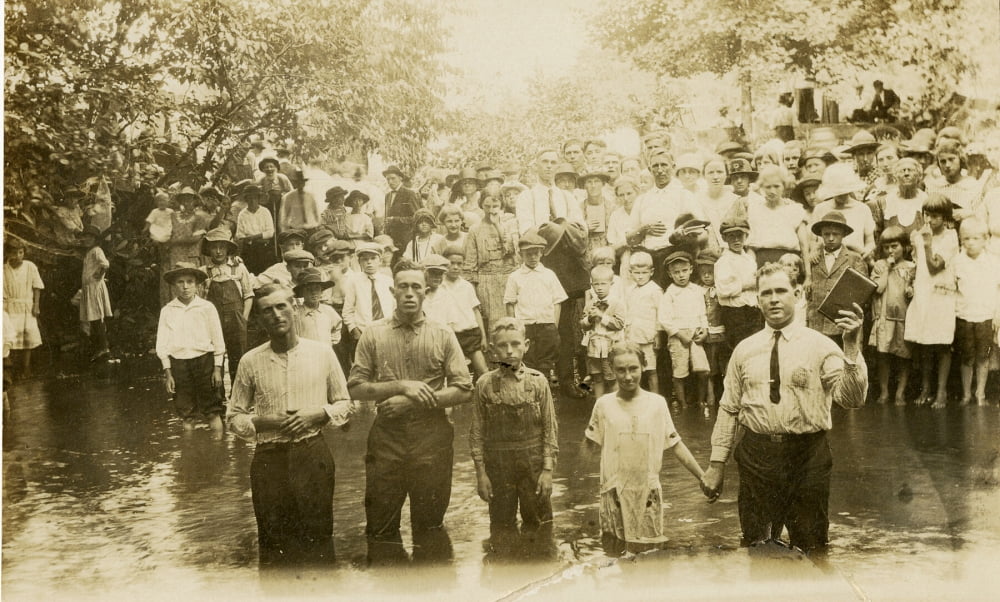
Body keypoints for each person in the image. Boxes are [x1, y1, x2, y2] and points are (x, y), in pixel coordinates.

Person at [701, 263, 868, 554]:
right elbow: (729, 409)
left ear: (798, 293)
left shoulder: (821, 346)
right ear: (757, 299)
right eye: (766, 293)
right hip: (756, 456)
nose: (774, 299)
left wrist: (851, 348)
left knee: (812, 547)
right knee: (757, 545)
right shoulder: (744, 350)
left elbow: (851, 399)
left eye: (781, 291)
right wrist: (716, 466)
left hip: (807, 456)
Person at [348, 259, 473, 565]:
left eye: (416, 287)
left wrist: (414, 400)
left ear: (425, 292)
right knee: (380, 528)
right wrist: (401, 386)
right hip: (387, 437)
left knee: (429, 528)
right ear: (393, 291)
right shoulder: (374, 333)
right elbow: (355, 387)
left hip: (431, 438)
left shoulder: (442, 333)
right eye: (402, 286)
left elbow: (464, 388)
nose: (409, 293)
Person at [227, 283, 353, 566]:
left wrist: (318, 414)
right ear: (259, 319)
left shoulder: (322, 353)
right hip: (269, 459)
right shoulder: (250, 361)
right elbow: (233, 418)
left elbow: (346, 405)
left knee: (319, 542)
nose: (276, 315)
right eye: (267, 311)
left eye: (281, 306)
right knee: (273, 548)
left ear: (294, 308)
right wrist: (262, 421)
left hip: (313, 456)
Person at [584, 343, 705, 556]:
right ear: (611, 368)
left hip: (648, 492)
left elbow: (675, 444)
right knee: (614, 553)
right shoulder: (604, 405)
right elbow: (588, 446)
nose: (628, 376)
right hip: (613, 492)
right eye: (620, 370)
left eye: (633, 368)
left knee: (649, 555)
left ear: (644, 366)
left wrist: (703, 478)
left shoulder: (657, 404)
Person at [470, 317, 558, 535]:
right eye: (502, 345)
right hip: (498, 468)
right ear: (492, 351)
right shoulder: (484, 385)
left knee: (540, 525)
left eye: (515, 344)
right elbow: (477, 433)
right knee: (501, 527)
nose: (509, 351)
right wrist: (481, 474)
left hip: (533, 466)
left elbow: (550, 429)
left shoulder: (539, 381)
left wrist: (547, 470)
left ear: (525, 346)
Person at [156, 262, 225, 433]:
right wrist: (168, 373)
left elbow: (218, 340)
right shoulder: (167, 310)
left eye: (190, 281)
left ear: (196, 285)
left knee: (212, 412)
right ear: (174, 286)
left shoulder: (207, 308)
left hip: (205, 363)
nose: (185, 286)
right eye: (180, 282)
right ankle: (189, 455)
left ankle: (218, 454)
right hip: (180, 365)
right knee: (187, 415)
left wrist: (217, 369)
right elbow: (162, 344)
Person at [904, 193, 959, 408]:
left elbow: (935, 266)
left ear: (945, 217)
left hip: (941, 294)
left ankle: (942, 391)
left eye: (935, 216)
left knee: (942, 343)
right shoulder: (919, 236)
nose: (930, 220)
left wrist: (927, 244)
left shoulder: (951, 237)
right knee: (924, 343)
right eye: (927, 215)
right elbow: (917, 267)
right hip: (923, 292)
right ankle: (926, 388)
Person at [628, 150, 704, 287]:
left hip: (676, 258)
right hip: (649, 261)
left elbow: (703, 232)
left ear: (673, 167)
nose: (660, 170)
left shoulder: (684, 195)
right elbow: (629, 238)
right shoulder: (642, 199)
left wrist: (684, 234)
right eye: (655, 166)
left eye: (664, 165)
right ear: (650, 169)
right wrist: (644, 229)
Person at [503, 234, 567, 382]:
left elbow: (557, 302)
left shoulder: (549, 275)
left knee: (546, 361)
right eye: (528, 254)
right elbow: (510, 303)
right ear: (521, 255)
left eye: (536, 253)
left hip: (547, 325)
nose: (532, 257)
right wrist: (515, 327)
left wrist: (553, 324)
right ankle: (528, 392)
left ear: (541, 253)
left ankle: (544, 390)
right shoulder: (515, 277)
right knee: (527, 359)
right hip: (526, 326)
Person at [952, 218, 999, 406]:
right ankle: (966, 394)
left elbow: (997, 290)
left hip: (986, 316)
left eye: (975, 238)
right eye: (966, 239)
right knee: (966, 356)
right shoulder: (957, 261)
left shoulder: (993, 262)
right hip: (964, 315)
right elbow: (953, 288)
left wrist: (997, 315)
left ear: (986, 240)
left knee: (983, 356)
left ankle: (980, 393)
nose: (970, 242)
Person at [806, 211, 868, 347]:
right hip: (816, 322)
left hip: (842, 324)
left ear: (843, 235)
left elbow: (862, 292)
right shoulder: (814, 259)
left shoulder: (854, 259)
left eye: (836, 234)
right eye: (826, 234)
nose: (831, 238)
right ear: (821, 235)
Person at [868, 226, 915, 406]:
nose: (890, 251)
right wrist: (887, 267)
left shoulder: (911, 267)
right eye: (886, 247)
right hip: (884, 318)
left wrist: (911, 289)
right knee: (884, 356)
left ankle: (900, 393)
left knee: (903, 356)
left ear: (904, 247)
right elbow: (878, 288)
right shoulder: (880, 265)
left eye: (894, 246)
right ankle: (885, 391)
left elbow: (912, 292)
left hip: (903, 319)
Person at [658, 250, 710, 408]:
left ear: (691, 270)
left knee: (703, 370)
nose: (681, 275)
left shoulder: (696, 290)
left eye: (684, 271)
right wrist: (679, 334)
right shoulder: (670, 293)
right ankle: (683, 403)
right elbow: (664, 320)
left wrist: (705, 330)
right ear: (670, 273)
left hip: (695, 334)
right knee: (679, 372)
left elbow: (703, 313)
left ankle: (701, 400)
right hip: (678, 337)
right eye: (676, 272)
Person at [202, 227, 253, 384]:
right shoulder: (204, 272)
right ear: (209, 249)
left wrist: (243, 318)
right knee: (214, 357)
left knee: (239, 358)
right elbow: (201, 300)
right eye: (214, 247)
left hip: (236, 320)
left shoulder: (238, 268)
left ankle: (240, 397)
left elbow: (248, 295)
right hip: (213, 321)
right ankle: (218, 400)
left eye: (222, 247)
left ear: (228, 249)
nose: (218, 251)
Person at [464, 194, 520, 335]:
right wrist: (473, 292)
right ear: (481, 206)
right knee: (492, 325)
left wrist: (497, 226)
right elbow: (470, 265)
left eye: (495, 206)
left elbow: (511, 252)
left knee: (512, 321)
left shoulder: (510, 224)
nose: (491, 210)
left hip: (508, 280)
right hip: (486, 282)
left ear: (501, 206)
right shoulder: (475, 230)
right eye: (487, 206)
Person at [810, 163, 877, 260]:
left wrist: (866, 252)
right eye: (837, 192)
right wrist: (813, 251)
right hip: (827, 260)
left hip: (855, 258)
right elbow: (813, 240)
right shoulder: (820, 209)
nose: (841, 195)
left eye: (845, 192)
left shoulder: (862, 209)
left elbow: (870, 242)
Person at [440, 246, 489, 378]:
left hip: (470, 334)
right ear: (445, 264)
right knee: (454, 372)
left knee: (483, 371)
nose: (456, 267)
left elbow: (476, 311)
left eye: (459, 264)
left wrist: (483, 337)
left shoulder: (467, 286)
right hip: (449, 335)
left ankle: (484, 396)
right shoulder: (439, 286)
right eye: (452, 263)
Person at [714, 219, 762, 349]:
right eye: (731, 236)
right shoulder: (724, 261)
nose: (736, 240)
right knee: (739, 347)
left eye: (740, 236)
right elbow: (723, 290)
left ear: (746, 236)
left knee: (755, 345)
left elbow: (755, 284)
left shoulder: (749, 259)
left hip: (752, 309)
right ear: (724, 238)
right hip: (735, 313)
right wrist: (747, 284)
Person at [580, 265, 626, 397]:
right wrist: (589, 319)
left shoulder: (616, 303)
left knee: (611, 378)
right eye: (596, 284)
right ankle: (599, 406)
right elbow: (583, 325)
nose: (599, 288)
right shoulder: (590, 304)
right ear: (592, 285)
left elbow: (619, 324)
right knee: (597, 378)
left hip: (609, 348)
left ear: (611, 284)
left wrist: (601, 316)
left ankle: (616, 406)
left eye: (603, 284)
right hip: (594, 348)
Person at [622, 251, 663, 395]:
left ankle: (655, 399)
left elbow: (660, 314)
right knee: (633, 368)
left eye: (644, 272)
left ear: (651, 272)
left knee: (651, 370)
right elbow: (626, 312)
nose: (640, 276)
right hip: (632, 337)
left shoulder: (655, 290)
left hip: (648, 337)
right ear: (630, 272)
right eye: (636, 272)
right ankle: (635, 398)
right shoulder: (629, 290)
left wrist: (658, 334)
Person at [3, 239, 44, 378]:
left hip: (27, 306)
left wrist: (36, 305)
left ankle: (26, 368)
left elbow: (37, 286)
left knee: (28, 337)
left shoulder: (30, 266)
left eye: (21, 252)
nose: (18, 256)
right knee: (11, 337)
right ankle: (12, 369)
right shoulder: (4, 269)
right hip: (10, 307)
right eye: (14, 253)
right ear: (8, 253)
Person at [515, 149, 581, 234]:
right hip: (539, 245)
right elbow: (526, 229)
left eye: (553, 163)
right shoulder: (526, 197)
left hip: (565, 245)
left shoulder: (567, 197)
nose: (549, 166)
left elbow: (579, 225)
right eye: (545, 162)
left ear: (558, 168)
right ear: (536, 166)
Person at [342, 242, 395, 344]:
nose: (369, 262)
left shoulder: (388, 281)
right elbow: (347, 311)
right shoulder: (354, 281)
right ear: (359, 262)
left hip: (387, 330)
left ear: (380, 260)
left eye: (373, 258)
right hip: (363, 331)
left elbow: (394, 307)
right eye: (365, 259)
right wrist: (354, 330)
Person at [695, 251, 725, 407]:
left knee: (722, 363)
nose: (706, 276)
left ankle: (724, 396)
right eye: (703, 273)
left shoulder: (720, 289)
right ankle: (710, 395)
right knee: (709, 365)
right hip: (707, 331)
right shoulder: (698, 290)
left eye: (710, 273)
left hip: (720, 330)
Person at [79, 225, 113, 361]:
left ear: (95, 239)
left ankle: (104, 348)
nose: (87, 239)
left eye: (90, 237)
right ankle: (100, 347)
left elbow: (105, 263)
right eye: (85, 237)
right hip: (89, 288)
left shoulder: (97, 250)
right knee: (93, 317)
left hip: (94, 288)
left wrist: (99, 274)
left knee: (97, 317)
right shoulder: (89, 252)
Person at [235, 184, 275, 275]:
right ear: (246, 199)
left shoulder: (265, 211)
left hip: (264, 248)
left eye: (255, 198)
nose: (252, 201)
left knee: (266, 274)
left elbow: (270, 232)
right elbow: (240, 235)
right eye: (249, 198)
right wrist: (251, 239)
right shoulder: (242, 214)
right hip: (250, 250)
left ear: (258, 199)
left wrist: (253, 237)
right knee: (251, 274)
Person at [382, 165, 421, 253]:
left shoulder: (409, 194)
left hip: (406, 238)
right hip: (391, 238)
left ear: (400, 178)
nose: (390, 182)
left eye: (393, 178)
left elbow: (417, 218)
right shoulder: (388, 196)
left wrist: (396, 220)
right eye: (388, 179)